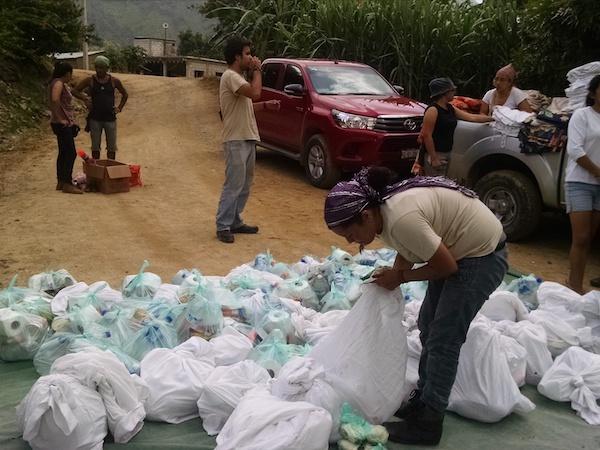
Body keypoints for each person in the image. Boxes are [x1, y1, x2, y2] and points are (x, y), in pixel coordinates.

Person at [324, 167, 508, 445]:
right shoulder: (385, 214)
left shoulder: (399, 217)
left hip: (481, 257)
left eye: (350, 234)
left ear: (365, 215)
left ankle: (430, 423)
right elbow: (408, 248)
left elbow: (446, 266)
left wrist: (400, 277)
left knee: (444, 339)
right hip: (461, 250)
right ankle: (424, 401)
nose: (351, 242)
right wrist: (395, 277)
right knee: (427, 327)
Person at [215, 36, 280, 244]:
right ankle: (223, 225)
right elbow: (255, 93)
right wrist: (258, 70)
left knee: (244, 183)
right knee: (234, 183)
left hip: (247, 136)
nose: (251, 57)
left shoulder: (237, 79)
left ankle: (235, 220)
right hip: (236, 139)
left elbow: (246, 105)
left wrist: (266, 106)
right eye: (247, 54)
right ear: (236, 57)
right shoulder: (231, 76)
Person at [565, 75, 600, 294]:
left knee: (589, 239)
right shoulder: (582, 115)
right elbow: (575, 150)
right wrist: (598, 172)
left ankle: (576, 285)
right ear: (593, 92)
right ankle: (574, 287)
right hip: (580, 181)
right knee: (581, 237)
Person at [419, 77, 492, 177]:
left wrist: (492, 118)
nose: (454, 92)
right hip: (436, 153)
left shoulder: (450, 108)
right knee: (435, 186)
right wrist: (433, 157)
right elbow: (427, 135)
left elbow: (471, 117)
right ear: (444, 92)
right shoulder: (433, 110)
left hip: (447, 152)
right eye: (452, 90)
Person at [74, 55, 128, 160]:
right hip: (95, 118)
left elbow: (125, 94)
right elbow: (75, 91)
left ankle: (110, 168)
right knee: (95, 147)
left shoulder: (114, 81)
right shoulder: (90, 80)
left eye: (102, 68)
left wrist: (119, 108)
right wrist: (85, 99)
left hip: (110, 118)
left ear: (107, 68)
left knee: (111, 147)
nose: (99, 70)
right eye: (97, 67)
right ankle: (97, 169)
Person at [49, 62, 82, 194]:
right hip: (62, 124)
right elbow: (55, 99)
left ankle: (61, 181)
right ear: (67, 73)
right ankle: (67, 183)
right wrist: (59, 117)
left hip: (61, 122)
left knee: (63, 151)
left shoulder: (56, 82)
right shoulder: (59, 83)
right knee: (70, 152)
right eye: (71, 73)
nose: (71, 76)